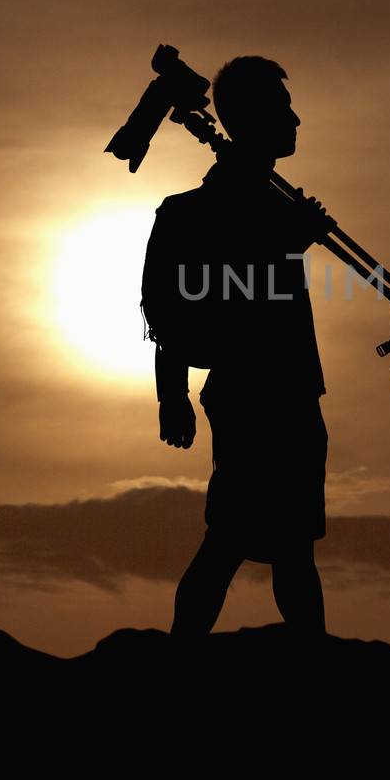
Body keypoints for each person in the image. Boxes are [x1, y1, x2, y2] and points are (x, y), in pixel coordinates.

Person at [142, 56, 335, 637]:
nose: (295, 119)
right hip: (259, 396)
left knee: (286, 545)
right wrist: (291, 245)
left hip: (290, 391)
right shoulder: (228, 207)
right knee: (232, 541)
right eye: (282, 108)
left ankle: (307, 654)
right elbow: (229, 298)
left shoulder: (266, 204)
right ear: (253, 118)